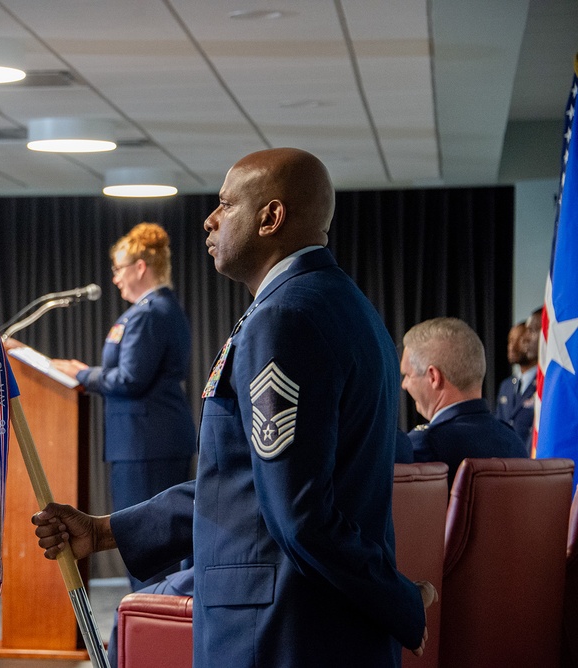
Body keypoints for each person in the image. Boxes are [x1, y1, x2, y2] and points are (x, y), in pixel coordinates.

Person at [34, 148, 433, 666]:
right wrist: (104, 531)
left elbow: (299, 515)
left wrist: (400, 603)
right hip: (316, 626)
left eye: (225, 204)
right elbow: (243, 484)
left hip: (278, 631)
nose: (209, 219)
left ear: (271, 217)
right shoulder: (341, 303)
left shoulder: (284, 318)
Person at [52, 222, 196, 591]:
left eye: (118, 268)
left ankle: (154, 631)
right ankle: (155, 628)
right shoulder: (159, 309)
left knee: (148, 540)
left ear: (140, 267)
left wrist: (84, 374)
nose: (114, 278)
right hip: (150, 440)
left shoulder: (148, 313)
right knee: (155, 539)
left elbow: (131, 379)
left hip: (144, 443)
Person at [401, 317, 528, 488]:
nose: (404, 385)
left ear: (433, 377)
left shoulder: (426, 445)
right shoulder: (513, 441)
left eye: (407, 375)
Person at [494, 319, 537, 444]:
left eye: (518, 340)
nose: (511, 347)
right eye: (510, 341)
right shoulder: (506, 386)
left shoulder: (544, 384)